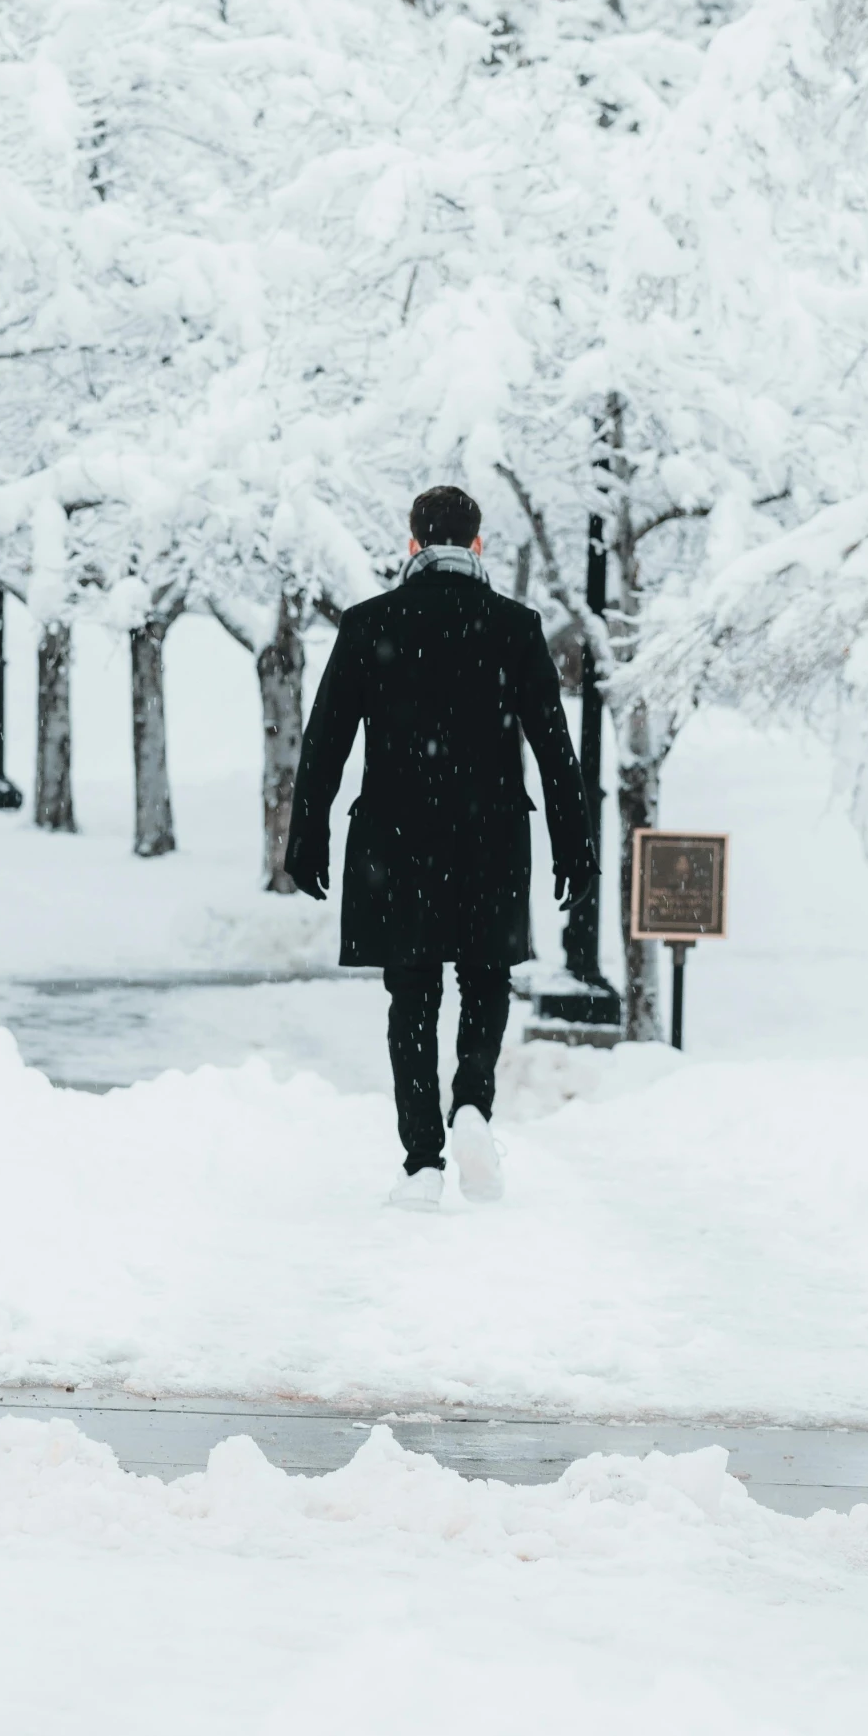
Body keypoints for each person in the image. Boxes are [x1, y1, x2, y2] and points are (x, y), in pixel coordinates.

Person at [283, 485, 597, 1208]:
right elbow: (556, 750)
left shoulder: (370, 623)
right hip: (490, 835)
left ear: (412, 543)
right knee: (486, 980)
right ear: (477, 543)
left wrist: (307, 838)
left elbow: (324, 738)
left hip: (396, 839)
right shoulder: (514, 626)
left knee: (412, 995)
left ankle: (422, 1161)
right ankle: (472, 1109)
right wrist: (574, 849)